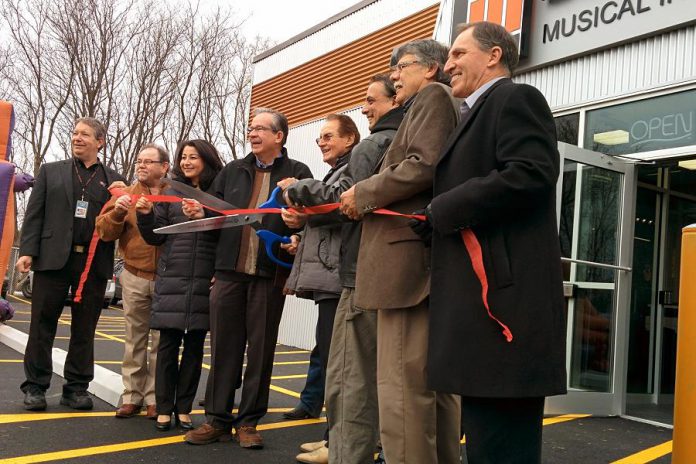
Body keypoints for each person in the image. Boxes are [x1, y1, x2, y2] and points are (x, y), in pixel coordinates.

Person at [422, 22, 567, 463]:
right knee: (486, 439)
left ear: (494, 56)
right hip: (481, 308)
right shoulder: (473, 114)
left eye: (458, 54)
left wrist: (442, 209)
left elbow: (531, 173)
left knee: (504, 444)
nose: (447, 65)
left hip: (505, 304)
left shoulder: (515, 98)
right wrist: (429, 219)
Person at [339, 40, 462, 463]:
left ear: (430, 69)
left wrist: (365, 191)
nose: (394, 74)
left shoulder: (432, 97)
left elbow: (423, 164)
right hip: (414, 266)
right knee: (432, 389)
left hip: (404, 271)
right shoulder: (439, 101)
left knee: (402, 391)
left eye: (402, 66)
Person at [280, 73, 403, 464]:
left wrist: (298, 189)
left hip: (348, 277)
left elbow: (343, 204)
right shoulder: (376, 148)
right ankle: (337, 439)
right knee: (341, 365)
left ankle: (345, 446)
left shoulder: (373, 147)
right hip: (343, 274)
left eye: (371, 99)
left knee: (349, 370)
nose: (365, 107)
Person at [183, 108, 312, 449]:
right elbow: (216, 218)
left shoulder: (298, 172)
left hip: (269, 274)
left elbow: (310, 219)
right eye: (250, 128)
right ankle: (217, 420)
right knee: (224, 346)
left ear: (279, 136)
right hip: (229, 273)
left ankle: (249, 422)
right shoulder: (232, 171)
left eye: (259, 129)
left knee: (261, 350)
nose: (252, 134)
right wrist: (200, 212)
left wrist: (297, 235)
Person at [16, 117, 125, 411]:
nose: (77, 138)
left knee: (84, 328)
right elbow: (34, 214)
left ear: (99, 142)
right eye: (75, 133)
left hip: (93, 263)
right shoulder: (51, 171)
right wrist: (27, 251)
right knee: (42, 324)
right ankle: (35, 386)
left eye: (85, 135)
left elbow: (118, 222)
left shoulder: (113, 180)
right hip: (52, 259)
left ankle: (76, 388)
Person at [280, 114, 360, 464]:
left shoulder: (351, 169)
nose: (322, 142)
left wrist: (300, 193)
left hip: (337, 277)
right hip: (329, 277)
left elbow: (340, 208)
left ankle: (337, 440)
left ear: (350, 139)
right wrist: (301, 232)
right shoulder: (338, 170)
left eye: (328, 136)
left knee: (337, 362)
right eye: (319, 138)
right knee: (328, 356)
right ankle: (331, 434)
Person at [136, 139, 223, 431]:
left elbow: (226, 231)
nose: (186, 162)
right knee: (167, 346)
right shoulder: (170, 191)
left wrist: (205, 213)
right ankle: (163, 408)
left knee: (195, 347)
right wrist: (145, 215)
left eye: (193, 157)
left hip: (204, 278)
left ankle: (184, 408)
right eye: (183, 157)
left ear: (207, 160)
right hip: (172, 276)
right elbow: (155, 237)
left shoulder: (217, 194)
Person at [95, 144, 170, 419]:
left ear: (164, 167)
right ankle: (131, 396)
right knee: (134, 340)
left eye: (149, 161)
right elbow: (103, 231)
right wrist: (117, 213)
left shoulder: (173, 196)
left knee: (161, 343)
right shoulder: (125, 195)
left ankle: (154, 398)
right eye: (139, 161)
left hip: (167, 280)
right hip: (135, 276)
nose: (142, 166)